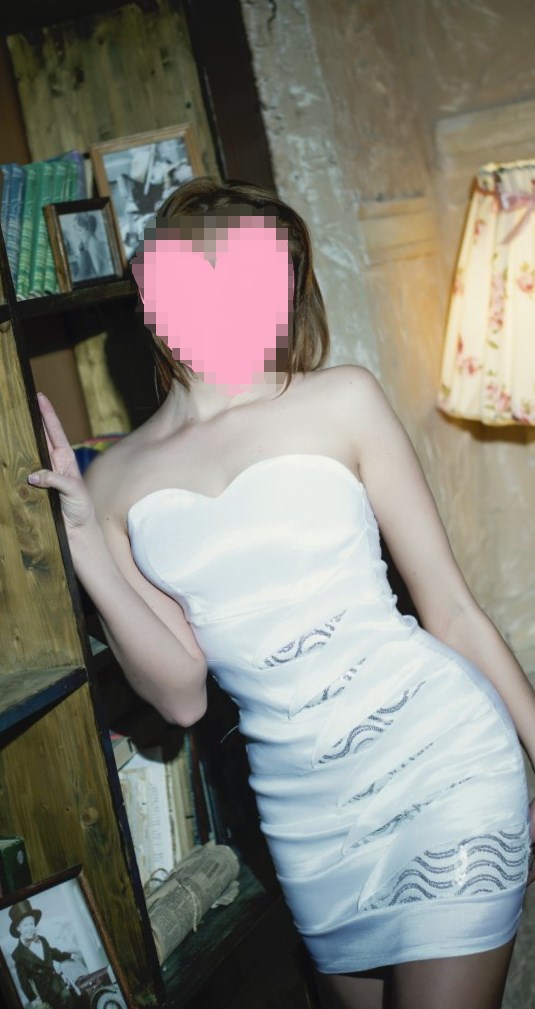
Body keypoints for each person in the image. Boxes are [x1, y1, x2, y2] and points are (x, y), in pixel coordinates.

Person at [27, 177, 535, 1009]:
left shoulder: (342, 399)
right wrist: (84, 537)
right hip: (306, 820)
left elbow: (449, 608)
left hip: (441, 766)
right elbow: (182, 696)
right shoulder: (114, 481)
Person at [9, 899, 82, 1008]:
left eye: (31, 924)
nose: (30, 928)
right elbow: (23, 980)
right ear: (18, 928)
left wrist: (69, 955)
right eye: (25, 925)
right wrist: (33, 998)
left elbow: (53, 952)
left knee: (71, 998)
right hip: (45, 992)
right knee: (65, 999)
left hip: (58, 983)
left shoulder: (42, 940)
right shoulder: (18, 954)